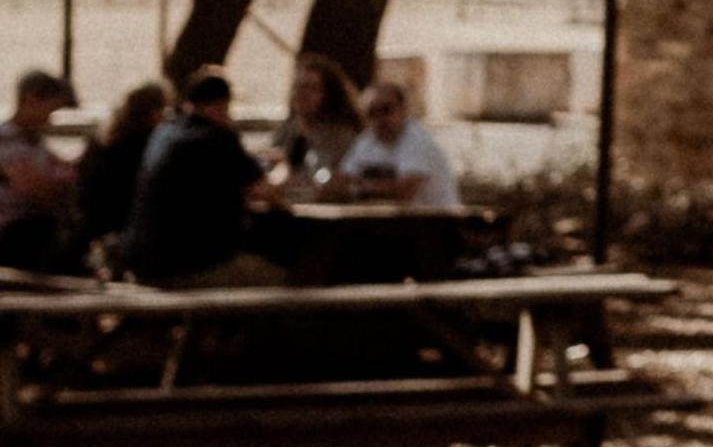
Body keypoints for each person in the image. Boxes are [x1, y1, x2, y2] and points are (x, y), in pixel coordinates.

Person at [123, 73, 296, 289]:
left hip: (143, 265)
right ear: (221, 105)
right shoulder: (218, 138)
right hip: (189, 267)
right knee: (288, 278)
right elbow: (269, 192)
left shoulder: (164, 133)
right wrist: (285, 166)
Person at [334, 76, 463, 210]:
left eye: (386, 110)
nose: (379, 119)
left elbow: (404, 191)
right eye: (372, 113)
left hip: (437, 223)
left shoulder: (418, 140)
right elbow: (339, 182)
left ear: (403, 109)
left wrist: (358, 188)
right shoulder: (367, 140)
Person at [74, 83, 168, 264]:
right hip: (123, 226)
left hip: (92, 225)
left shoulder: (103, 140)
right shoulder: (149, 145)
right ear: (155, 112)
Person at [0, 70, 75, 272]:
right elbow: (35, 190)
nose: (50, 120)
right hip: (13, 233)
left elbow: (67, 173)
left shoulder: (35, 140)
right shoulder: (6, 141)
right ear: (31, 100)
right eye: (50, 110)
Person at [275, 51, 362, 188]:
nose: (302, 94)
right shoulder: (286, 131)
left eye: (311, 88)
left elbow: (340, 177)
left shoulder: (341, 136)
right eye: (299, 86)